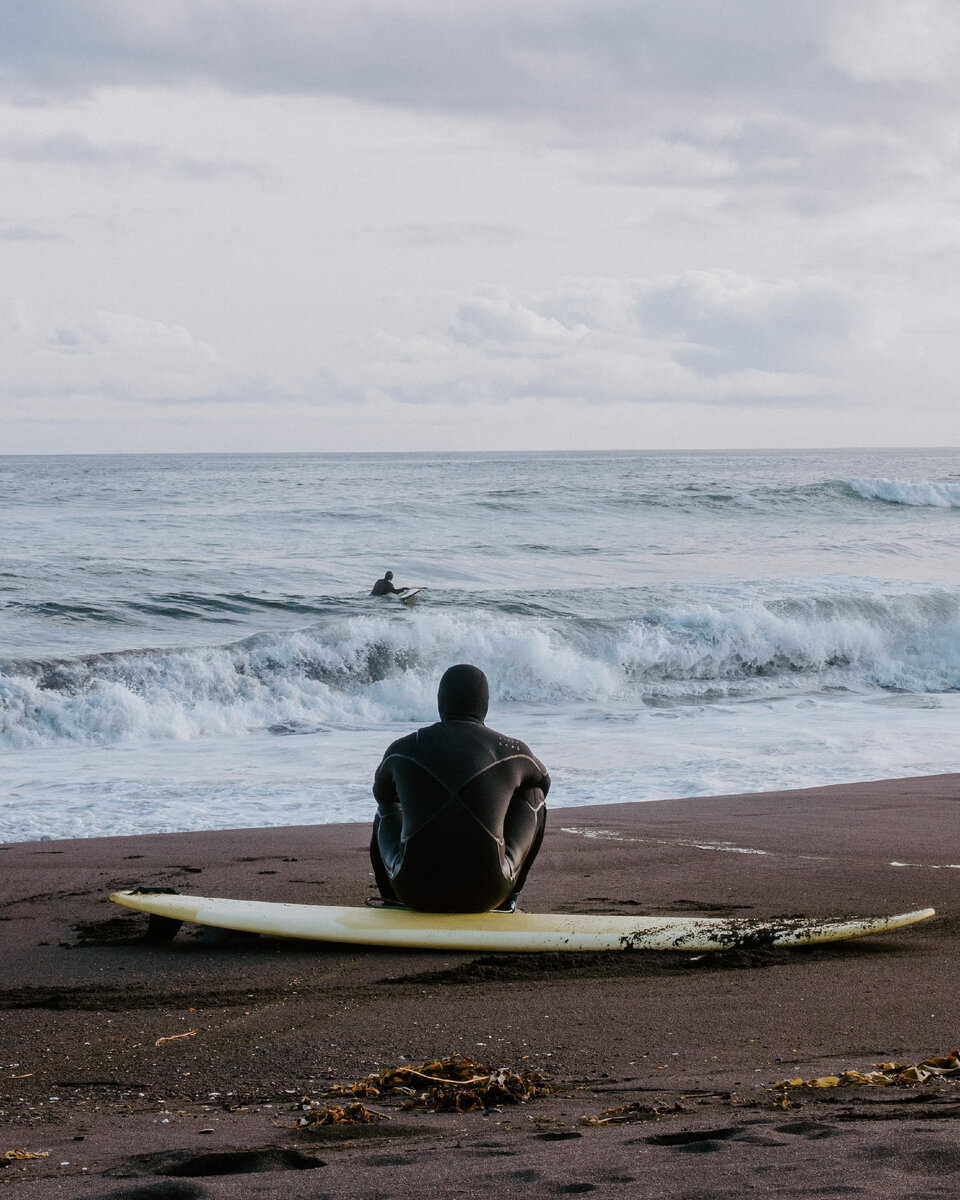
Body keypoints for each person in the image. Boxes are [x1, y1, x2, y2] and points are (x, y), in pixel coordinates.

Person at [370, 664, 550, 913]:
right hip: (488, 892)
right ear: (485, 703)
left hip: (413, 890)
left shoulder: (403, 748)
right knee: (535, 796)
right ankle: (509, 901)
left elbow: (381, 794)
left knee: (386, 808)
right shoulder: (509, 748)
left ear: (440, 701)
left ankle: (391, 900)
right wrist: (495, 794)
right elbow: (544, 782)